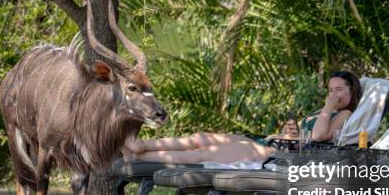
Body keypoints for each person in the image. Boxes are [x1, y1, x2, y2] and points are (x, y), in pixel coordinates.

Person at [122, 71, 362, 164]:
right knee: (200, 137)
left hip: (274, 155)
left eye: (339, 90)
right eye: (330, 90)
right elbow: (297, 133)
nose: (333, 95)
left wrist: (329, 107)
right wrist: (292, 130)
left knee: (201, 154)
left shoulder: (345, 114)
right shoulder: (323, 112)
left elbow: (320, 135)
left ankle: (137, 157)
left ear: (352, 93)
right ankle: (138, 146)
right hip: (267, 142)